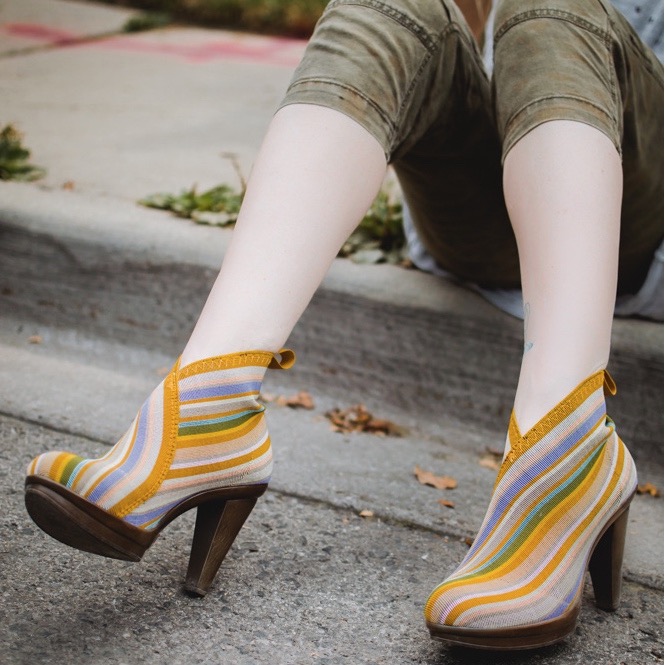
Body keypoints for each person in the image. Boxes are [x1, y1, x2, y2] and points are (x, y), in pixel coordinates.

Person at [23, 0, 663, 651]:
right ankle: (208, 405)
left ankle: (568, 445)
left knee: (556, 4)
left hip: (643, 197)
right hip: (502, 180)